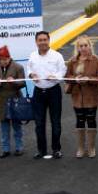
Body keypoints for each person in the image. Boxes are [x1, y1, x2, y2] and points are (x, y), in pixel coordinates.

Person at [27, 31, 67, 160]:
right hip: (38, 92)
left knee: (55, 122)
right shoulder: (33, 56)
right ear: (36, 42)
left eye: (45, 39)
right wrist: (31, 75)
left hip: (53, 91)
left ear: (49, 41)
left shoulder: (57, 56)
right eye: (40, 40)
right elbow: (29, 69)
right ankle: (41, 150)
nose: (43, 42)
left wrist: (55, 77)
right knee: (39, 123)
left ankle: (56, 149)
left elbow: (63, 72)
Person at [65, 36, 98, 159]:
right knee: (80, 120)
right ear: (77, 48)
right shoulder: (72, 61)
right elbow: (67, 77)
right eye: (80, 46)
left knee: (91, 120)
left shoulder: (96, 60)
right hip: (77, 96)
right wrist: (75, 79)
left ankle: (91, 147)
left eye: (85, 45)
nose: (83, 48)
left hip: (91, 96)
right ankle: (81, 148)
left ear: (89, 46)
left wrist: (89, 79)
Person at [0, 46, 26, 158]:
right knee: (4, 127)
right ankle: (5, 149)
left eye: (5, 60)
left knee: (16, 126)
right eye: (0, 60)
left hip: (15, 99)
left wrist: (14, 82)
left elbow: (23, 83)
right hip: (2, 101)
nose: (3, 62)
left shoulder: (18, 67)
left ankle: (19, 148)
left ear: (9, 58)